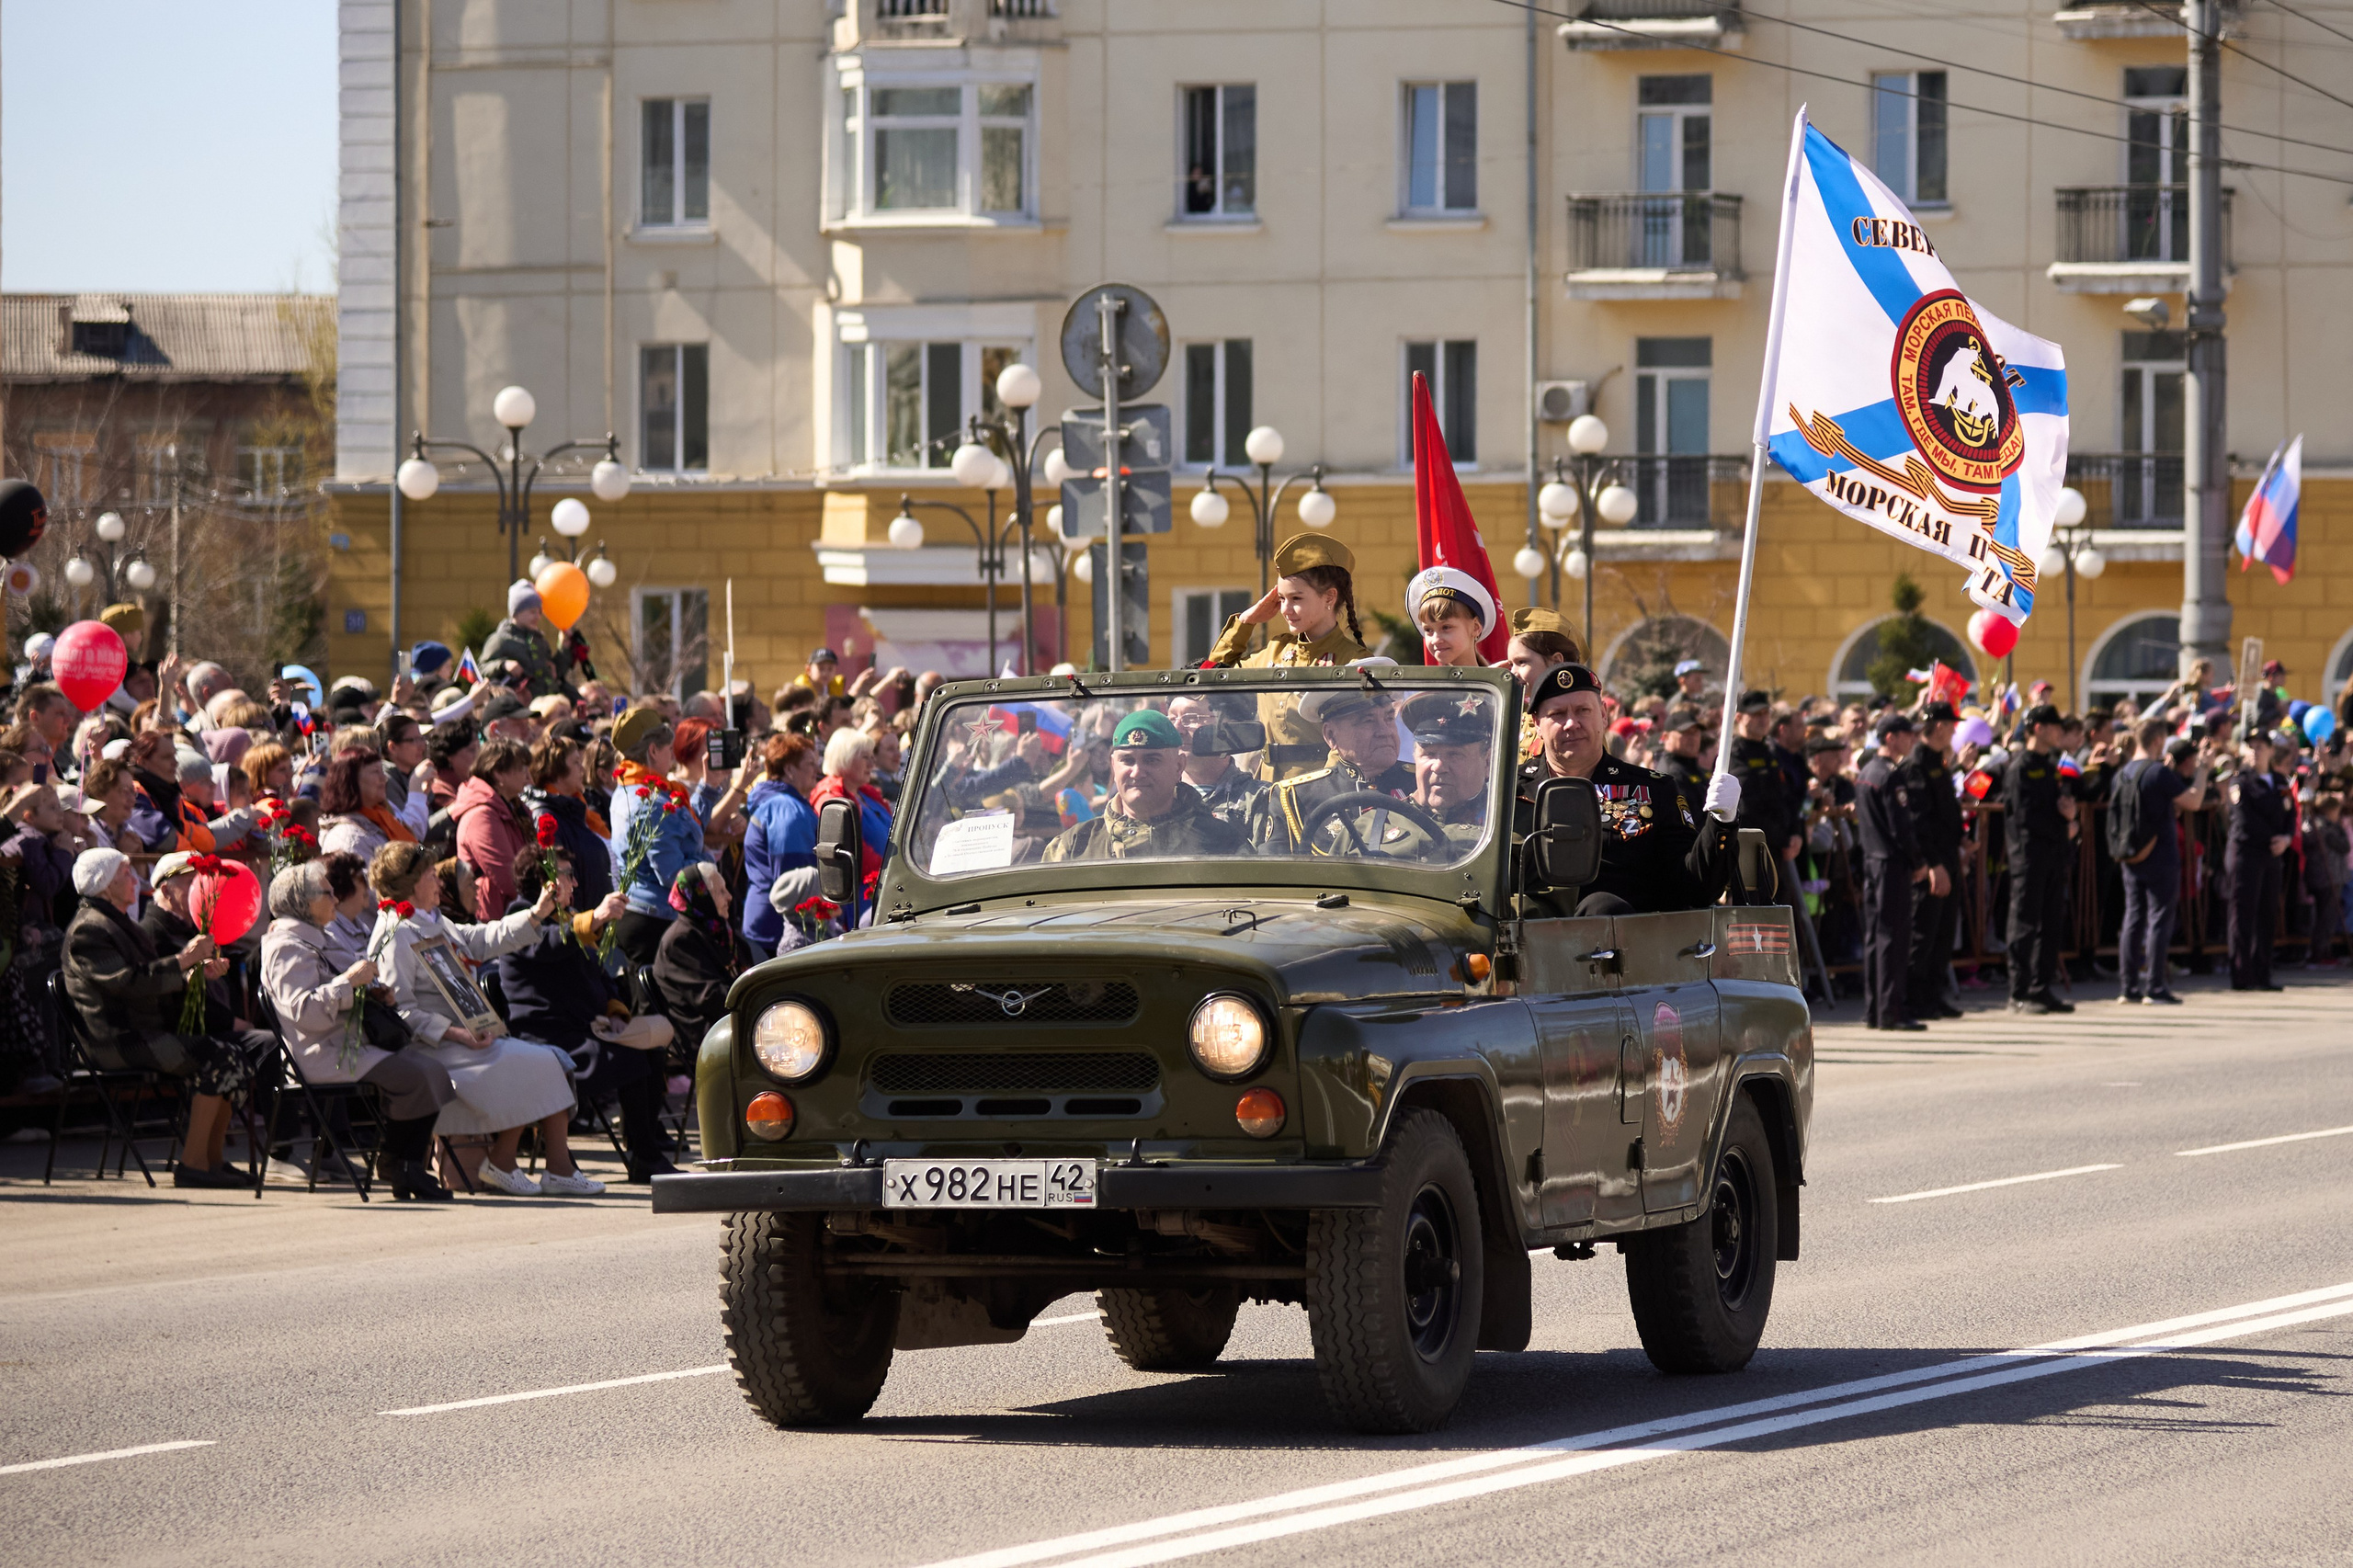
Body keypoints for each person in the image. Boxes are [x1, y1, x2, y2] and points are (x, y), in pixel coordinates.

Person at [365, 841, 601, 1196]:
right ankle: (512, 1164)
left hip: (471, 1041)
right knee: (540, 1063)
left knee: (551, 1060)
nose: (439, 882)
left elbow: (480, 938)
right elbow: (401, 1011)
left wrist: (536, 914)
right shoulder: (395, 933)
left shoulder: (430, 919)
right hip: (436, 1049)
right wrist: (457, 1034)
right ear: (413, 884)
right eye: (431, 875)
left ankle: (554, 1169)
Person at [62, 847, 265, 1187]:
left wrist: (196, 972)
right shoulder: (90, 929)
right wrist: (184, 961)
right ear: (106, 885)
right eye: (126, 873)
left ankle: (212, 1161)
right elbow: (127, 982)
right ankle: (194, 1165)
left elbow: (146, 978)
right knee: (220, 1059)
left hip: (140, 1030)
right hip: (116, 1039)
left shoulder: (118, 923)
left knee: (236, 1058)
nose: (135, 879)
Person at [259, 859, 459, 1200]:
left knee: (432, 1072)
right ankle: (403, 1164)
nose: (336, 899)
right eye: (327, 893)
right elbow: (304, 1012)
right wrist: (348, 983)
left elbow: (337, 995)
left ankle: (401, 1163)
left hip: (346, 1043)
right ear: (302, 902)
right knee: (420, 1075)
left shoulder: (318, 939)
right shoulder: (286, 948)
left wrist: (373, 993)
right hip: (322, 1053)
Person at [496, 846, 678, 1182]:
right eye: (567, 874)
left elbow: (599, 976)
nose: (575, 883)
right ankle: (643, 1158)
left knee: (652, 1053)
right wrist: (596, 917)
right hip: (546, 1034)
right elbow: (549, 944)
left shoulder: (568, 916)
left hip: (585, 1027)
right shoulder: (520, 917)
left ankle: (645, 1153)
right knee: (630, 1061)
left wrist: (616, 1010)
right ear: (545, 881)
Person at [1514, 665, 1737, 915]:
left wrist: (1721, 822)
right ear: (1536, 723)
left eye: (1582, 710)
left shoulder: (1653, 790)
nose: (1571, 724)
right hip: (1528, 942)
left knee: (1603, 907)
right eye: (1557, 714)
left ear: (1603, 714)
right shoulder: (1510, 794)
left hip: (1625, 945)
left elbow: (1695, 888)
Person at [1202, 534, 1373, 778]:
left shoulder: (1353, 661)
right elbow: (1211, 676)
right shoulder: (1275, 652)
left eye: (1296, 599)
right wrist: (1245, 622)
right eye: (1281, 599)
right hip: (1269, 789)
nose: (1284, 610)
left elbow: (1353, 741)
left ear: (1329, 598)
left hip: (1322, 793)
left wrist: (1322, 787)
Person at [1044, 710, 1246, 861]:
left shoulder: (1222, 843)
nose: (1137, 772)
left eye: (1152, 760)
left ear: (1178, 766)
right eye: (1127, 760)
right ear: (1113, 765)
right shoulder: (1074, 846)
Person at [1856, 714, 1942, 1031]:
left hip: (1872, 862)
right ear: (1890, 737)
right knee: (1894, 938)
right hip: (1891, 864)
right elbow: (1901, 827)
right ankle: (1891, 1010)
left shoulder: (1867, 772)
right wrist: (1918, 861)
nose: (1912, 740)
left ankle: (1875, 1009)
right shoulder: (1891, 775)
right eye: (1907, 735)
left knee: (1876, 939)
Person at [607, 708, 712, 964]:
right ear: (653, 751)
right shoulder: (649, 801)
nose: (673, 759)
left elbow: (681, 832)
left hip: (648, 916)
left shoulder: (633, 789)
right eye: (668, 750)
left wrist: (709, 790)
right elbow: (671, 874)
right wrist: (707, 863)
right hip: (655, 922)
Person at [1260, 686, 1416, 852]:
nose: (1385, 732)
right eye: (1368, 721)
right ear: (1331, 735)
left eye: (1389, 718)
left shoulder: (1421, 783)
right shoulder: (1296, 797)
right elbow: (1273, 874)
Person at [2116, 726, 2208, 1005]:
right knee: (2158, 919)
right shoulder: (2158, 772)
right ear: (2157, 741)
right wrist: (2203, 770)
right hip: (2160, 854)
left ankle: (2128, 987)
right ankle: (2155, 986)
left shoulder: (2124, 773)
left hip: (2131, 854)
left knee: (2133, 918)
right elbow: (2192, 801)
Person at [2001, 702, 2080, 1014]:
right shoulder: (2020, 768)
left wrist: (2069, 818)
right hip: (2029, 856)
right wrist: (2060, 824)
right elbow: (2023, 817)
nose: (2060, 731)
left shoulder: (2050, 766)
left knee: (2050, 924)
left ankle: (2041, 987)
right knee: (2024, 924)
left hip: (2053, 854)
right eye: (2055, 726)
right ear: (2038, 728)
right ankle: (2019, 992)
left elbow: (2056, 809)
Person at [1902, 702, 1967, 1020]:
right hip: (1933, 861)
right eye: (1952, 725)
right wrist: (1932, 863)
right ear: (1939, 726)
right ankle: (1915, 998)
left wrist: (1962, 839)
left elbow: (1946, 811)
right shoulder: (1916, 765)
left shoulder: (1939, 763)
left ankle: (1934, 994)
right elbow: (1918, 820)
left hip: (1948, 856)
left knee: (1943, 930)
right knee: (1924, 931)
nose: (1955, 730)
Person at [2224, 728, 2292, 991]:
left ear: (2271, 750)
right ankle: (2242, 975)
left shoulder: (2280, 782)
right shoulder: (2239, 782)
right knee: (2243, 913)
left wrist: (2285, 838)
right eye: (2251, 746)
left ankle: (2263, 973)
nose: (2256, 751)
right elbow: (2243, 819)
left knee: (2267, 913)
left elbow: (2290, 814)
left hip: (2272, 853)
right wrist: (2273, 838)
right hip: (2247, 852)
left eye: (2261, 746)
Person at [741, 733, 820, 955]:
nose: (817, 770)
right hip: (779, 930)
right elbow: (793, 878)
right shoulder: (787, 810)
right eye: (810, 763)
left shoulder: (781, 803)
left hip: (767, 923)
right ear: (789, 769)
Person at [653, 862, 743, 1056]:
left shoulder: (715, 930)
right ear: (701, 897)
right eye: (720, 892)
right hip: (706, 1036)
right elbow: (710, 997)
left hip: (727, 1021)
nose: (729, 897)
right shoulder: (680, 940)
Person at [523, 733, 613, 909]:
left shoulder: (576, 809)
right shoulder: (544, 815)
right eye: (576, 762)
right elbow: (558, 876)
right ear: (556, 771)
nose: (583, 769)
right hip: (578, 924)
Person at [809, 726, 893, 914]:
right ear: (845, 758)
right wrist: (895, 871)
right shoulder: (830, 797)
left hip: (886, 887)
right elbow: (850, 850)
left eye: (872, 756)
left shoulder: (865, 792)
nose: (872, 764)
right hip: (860, 901)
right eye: (865, 757)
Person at [451, 737, 534, 920]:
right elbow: (508, 876)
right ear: (498, 774)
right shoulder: (481, 816)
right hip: (497, 920)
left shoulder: (514, 808)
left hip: (518, 912)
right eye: (521, 768)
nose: (528, 776)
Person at [1166, 691, 1267, 831]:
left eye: (1191, 718)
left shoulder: (1262, 798)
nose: (1177, 729)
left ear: (1229, 727)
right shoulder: (1155, 794)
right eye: (1171, 719)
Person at [1404, 691, 1494, 842]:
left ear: (1487, 763)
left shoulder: (1515, 823)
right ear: (1415, 757)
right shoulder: (1378, 823)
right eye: (1429, 754)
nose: (1438, 767)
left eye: (1455, 754)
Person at [481, 579, 578, 700]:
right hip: (519, 707)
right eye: (532, 612)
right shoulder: (500, 639)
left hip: (545, 703)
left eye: (539, 612)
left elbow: (553, 674)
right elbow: (482, 668)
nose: (537, 617)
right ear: (516, 613)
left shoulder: (539, 641)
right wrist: (503, 665)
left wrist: (564, 649)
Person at [317, 747, 417, 862]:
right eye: (375, 772)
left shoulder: (382, 818)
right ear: (351, 780)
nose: (384, 779)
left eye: (382, 771)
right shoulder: (347, 837)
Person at [1406, 565, 1496, 670]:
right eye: (1428, 630)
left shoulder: (1498, 685)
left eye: (1446, 627)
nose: (1436, 640)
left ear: (1475, 627)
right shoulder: (1425, 686)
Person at [2304, 793, 2348, 968]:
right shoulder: (2323, 826)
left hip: (2330, 875)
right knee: (2326, 917)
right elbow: (2344, 845)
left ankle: (2322, 950)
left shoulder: (2324, 825)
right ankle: (2319, 951)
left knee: (2327, 915)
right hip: (2327, 876)